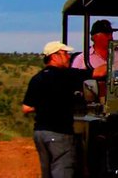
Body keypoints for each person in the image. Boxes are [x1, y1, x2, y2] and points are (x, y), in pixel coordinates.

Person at [22, 41, 109, 177]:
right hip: (59, 133)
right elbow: (98, 72)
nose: (68, 57)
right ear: (54, 56)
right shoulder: (66, 75)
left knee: (47, 173)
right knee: (63, 170)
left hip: (40, 133)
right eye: (65, 53)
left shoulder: (36, 78)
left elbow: (26, 108)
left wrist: (46, 106)